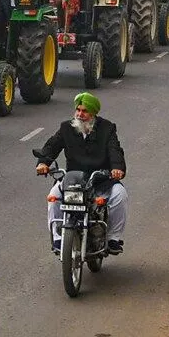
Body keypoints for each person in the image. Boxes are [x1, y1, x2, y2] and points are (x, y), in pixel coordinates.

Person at [35, 93, 127, 255]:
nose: (80, 114)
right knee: (53, 197)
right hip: (73, 179)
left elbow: (115, 150)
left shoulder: (107, 128)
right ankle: (57, 238)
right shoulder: (66, 127)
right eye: (78, 110)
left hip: (100, 180)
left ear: (93, 113)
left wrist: (117, 168)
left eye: (84, 111)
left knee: (120, 195)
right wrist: (43, 163)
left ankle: (113, 238)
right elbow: (52, 146)